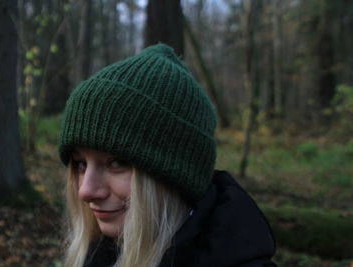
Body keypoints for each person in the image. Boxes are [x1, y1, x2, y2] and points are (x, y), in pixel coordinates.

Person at [58, 44, 277, 267]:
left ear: (176, 174)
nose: (85, 191)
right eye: (80, 164)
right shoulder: (100, 254)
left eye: (117, 162)